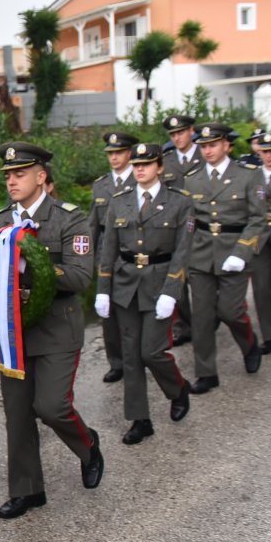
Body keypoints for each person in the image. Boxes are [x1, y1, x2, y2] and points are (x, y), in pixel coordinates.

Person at [0, 142, 103, 519]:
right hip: (14, 333)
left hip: (56, 329)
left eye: (19, 174)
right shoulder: (0, 221)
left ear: (41, 176)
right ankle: (27, 490)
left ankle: (88, 447)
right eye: (7, 175)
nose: (12, 181)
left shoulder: (69, 219)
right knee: (17, 415)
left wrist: (32, 270)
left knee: (52, 406)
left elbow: (81, 276)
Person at [94, 143, 193, 445]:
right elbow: (108, 248)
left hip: (160, 283)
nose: (140, 169)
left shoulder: (179, 202)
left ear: (160, 167)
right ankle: (140, 419)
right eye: (136, 164)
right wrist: (103, 290)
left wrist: (172, 291)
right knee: (130, 355)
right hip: (126, 285)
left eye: (147, 164)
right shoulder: (119, 201)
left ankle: (177, 389)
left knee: (151, 351)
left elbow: (182, 251)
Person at [181, 124, 266, 394]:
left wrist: (242, 252)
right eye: (203, 146)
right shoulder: (192, 178)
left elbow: (258, 219)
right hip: (202, 254)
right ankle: (207, 373)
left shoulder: (248, 175)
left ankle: (249, 344)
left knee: (231, 311)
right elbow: (189, 221)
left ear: (227, 146)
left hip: (234, 251)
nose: (208, 150)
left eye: (213, 145)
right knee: (202, 316)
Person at [89, 132, 138, 383]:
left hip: (131, 252)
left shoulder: (140, 179)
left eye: (119, 152)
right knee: (107, 313)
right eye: (110, 153)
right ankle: (116, 361)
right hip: (105, 256)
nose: (114, 157)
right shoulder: (101, 185)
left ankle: (135, 358)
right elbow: (93, 225)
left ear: (129, 153)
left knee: (130, 310)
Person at [162, 114, 201, 346]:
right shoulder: (166, 162)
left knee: (203, 279)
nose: (177, 137)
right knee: (177, 279)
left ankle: (207, 316)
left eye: (181, 132)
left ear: (191, 131)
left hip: (204, 229)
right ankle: (183, 326)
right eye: (173, 134)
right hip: (176, 229)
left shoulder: (205, 155)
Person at [248, 131, 271, 355]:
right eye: (264, 152)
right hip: (260, 234)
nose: (268, 156)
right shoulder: (252, 176)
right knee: (261, 289)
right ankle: (269, 337)